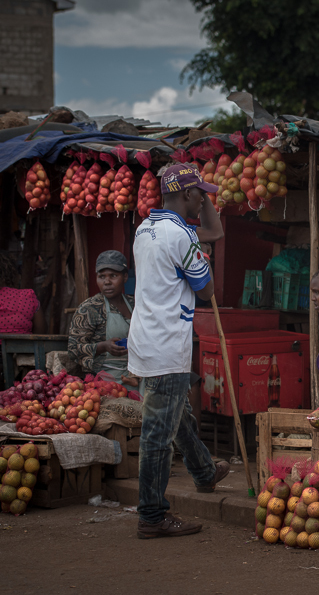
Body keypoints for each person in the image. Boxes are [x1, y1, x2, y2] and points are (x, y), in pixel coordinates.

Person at [127, 163, 228, 539]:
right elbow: (206, 291)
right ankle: (151, 516)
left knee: (175, 411)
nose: (204, 197)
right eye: (199, 192)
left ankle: (204, 470)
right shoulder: (181, 237)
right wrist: (202, 260)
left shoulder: (147, 227)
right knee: (158, 434)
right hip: (165, 344)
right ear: (186, 195)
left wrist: (203, 203)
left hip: (146, 340)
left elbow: (214, 231)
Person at [67, 250, 138, 385]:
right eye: (101, 276)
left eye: (113, 275)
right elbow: (73, 350)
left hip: (137, 373)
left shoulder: (135, 304)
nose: (107, 282)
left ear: (125, 277)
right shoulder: (89, 308)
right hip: (105, 379)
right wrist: (102, 347)